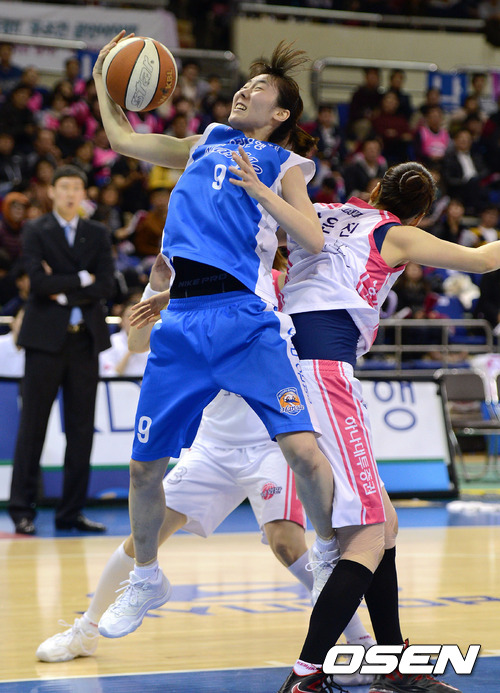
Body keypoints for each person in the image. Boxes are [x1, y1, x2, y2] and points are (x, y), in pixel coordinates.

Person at [93, 32, 335, 639]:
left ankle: (329, 554)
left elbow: (312, 238)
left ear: (280, 114)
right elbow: (123, 139)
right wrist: (102, 79)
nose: (243, 92)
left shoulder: (284, 163)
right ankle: (146, 577)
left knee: (303, 452)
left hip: (242, 321)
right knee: (143, 469)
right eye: (243, 84)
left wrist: (261, 190)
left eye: (259, 89)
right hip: (182, 322)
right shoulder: (205, 141)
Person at [36, 256, 374, 689]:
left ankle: (361, 642)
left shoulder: (283, 287)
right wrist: (155, 287)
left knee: (287, 544)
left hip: (271, 444)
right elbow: (136, 344)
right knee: (143, 536)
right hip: (213, 446)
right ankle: (86, 629)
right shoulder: (194, 289)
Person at [275, 160, 500, 693]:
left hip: (286, 363)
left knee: (386, 524)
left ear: (376, 188)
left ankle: (393, 664)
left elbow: (269, 241)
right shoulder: (396, 234)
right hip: (324, 371)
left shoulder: (323, 211)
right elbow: (485, 260)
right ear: (422, 214)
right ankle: (305, 677)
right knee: (369, 533)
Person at [8, 165, 115, 536]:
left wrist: (64, 288)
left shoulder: (97, 233)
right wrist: (82, 278)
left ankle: (71, 512)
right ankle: (21, 510)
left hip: (84, 341)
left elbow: (106, 285)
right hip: (43, 342)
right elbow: (37, 283)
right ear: (51, 192)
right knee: (32, 427)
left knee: (82, 431)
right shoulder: (36, 229)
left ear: (84, 194)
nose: (71, 193)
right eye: (64, 186)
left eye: (77, 187)